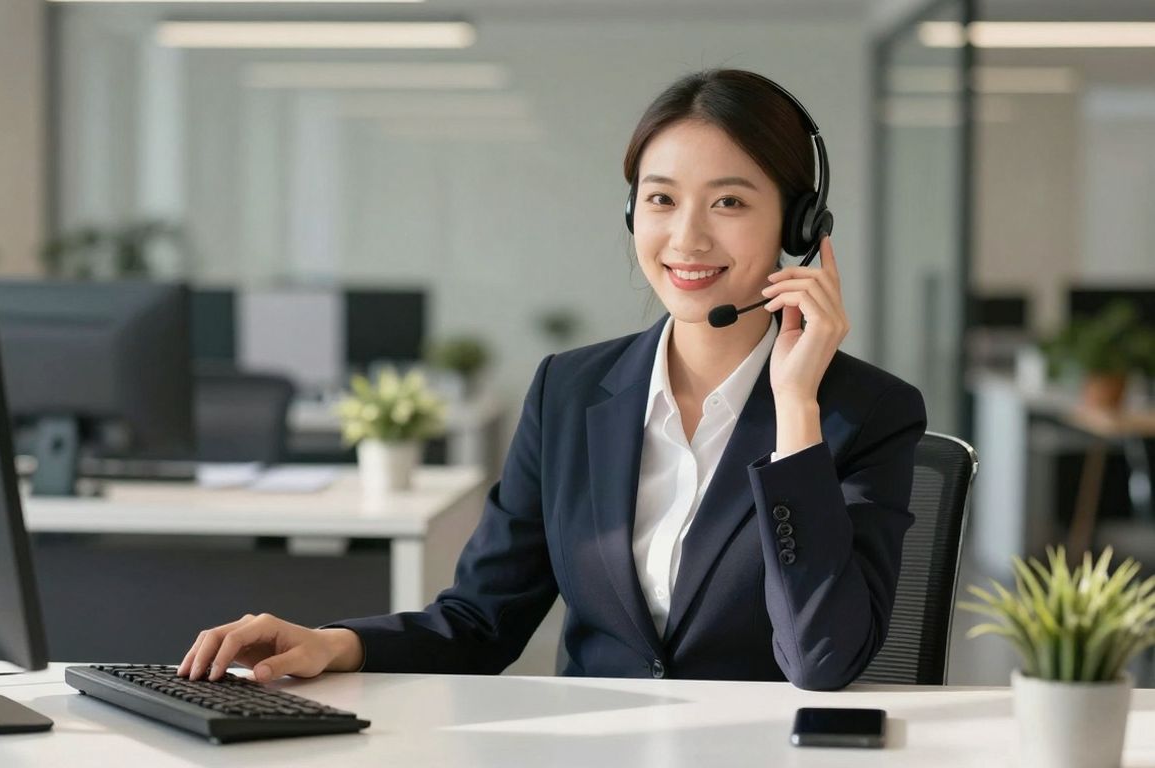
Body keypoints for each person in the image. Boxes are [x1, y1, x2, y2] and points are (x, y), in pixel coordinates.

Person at [178, 69, 927, 691]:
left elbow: (823, 660)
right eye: (662, 199)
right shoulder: (569, 393)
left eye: (729, 202)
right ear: (634, 211)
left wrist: (796, 410)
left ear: (799, 229)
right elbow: (480, 622)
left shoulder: (866, 413)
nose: (687, 237)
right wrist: (331, 643)